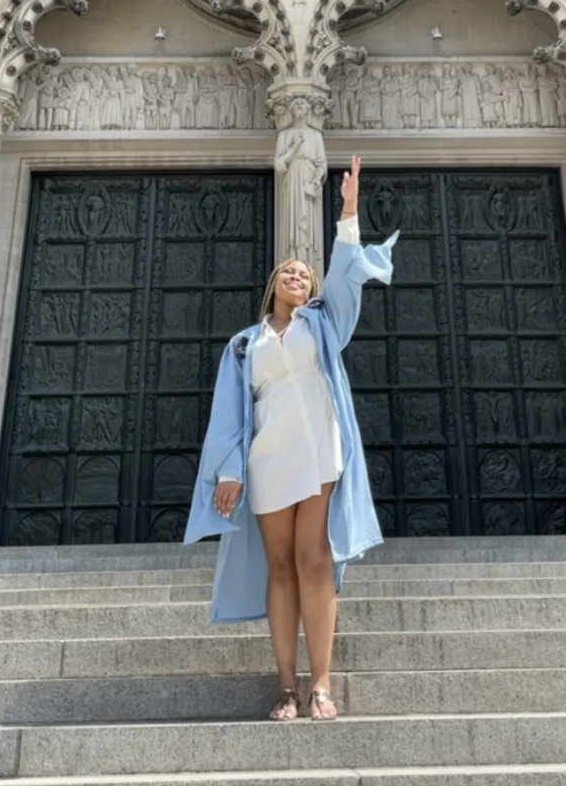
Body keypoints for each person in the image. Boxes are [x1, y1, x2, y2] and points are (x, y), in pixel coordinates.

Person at [184, 156, 396, 722]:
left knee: (314, 562)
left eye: (305, 273)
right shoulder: (243, 345)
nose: (297, 277)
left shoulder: (324, 322)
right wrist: (229, 470)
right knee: (280, 567)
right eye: (289, 272)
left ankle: (321, 683)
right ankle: (285, 686)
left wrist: (347, 212)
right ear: (273, 285)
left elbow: (348, 278)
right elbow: (230, 415)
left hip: (318, 452)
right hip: (268, 459)